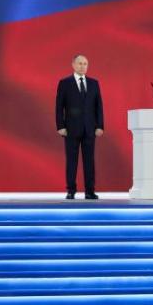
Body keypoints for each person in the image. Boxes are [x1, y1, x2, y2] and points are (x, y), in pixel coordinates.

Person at [56, 54, 104, 199]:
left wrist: (100, 126)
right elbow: (59, 106)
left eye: (85, 64)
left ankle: (90, 191)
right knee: (72, 160)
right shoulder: (65, 83)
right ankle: (71, 190)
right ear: (73, 65)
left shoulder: (94, 83)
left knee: (89, 161)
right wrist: (60, 126)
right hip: (71, 129)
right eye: (80, 63)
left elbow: (98, 106)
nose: (83, 66)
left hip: (90, 128)